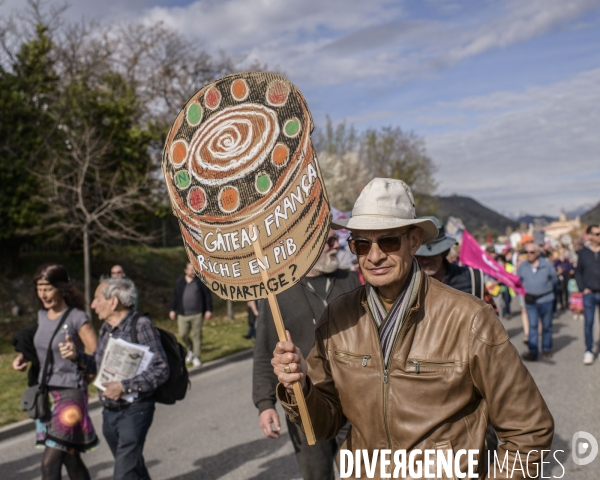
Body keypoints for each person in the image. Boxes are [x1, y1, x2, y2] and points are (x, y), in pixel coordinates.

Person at [271, 178, 553, 478]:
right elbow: (323, 424)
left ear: (415, 240)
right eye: (362, 244)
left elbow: (529, 430)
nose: (375, 255)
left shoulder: (469, 318)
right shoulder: (338, 316)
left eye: (388, 241)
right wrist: (298, 387)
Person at [252, 230, 361, 480]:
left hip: (354, 399)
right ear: (306, 247)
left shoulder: (350, 281)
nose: (337, 246)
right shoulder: (279, 292)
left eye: (336, 240)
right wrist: (265, 403)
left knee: (360, 473)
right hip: (306, 402)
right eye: (329, 242)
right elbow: (263, 351)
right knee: (316, 474)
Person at [60, 277, 169, 480]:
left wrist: (124, 386)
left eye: (97, 299)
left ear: (113, 302)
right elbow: (98, 365)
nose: (92, 305)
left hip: (135, 411)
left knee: (123, 474)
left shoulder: (142, 326)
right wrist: (76, 355)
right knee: (132, 467)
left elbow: (162, 369)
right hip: (110, 412)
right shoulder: (106, 329)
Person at [12, 264, 99, 480]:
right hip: (48, 397)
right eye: (39, 288)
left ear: (62, 288)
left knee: (49, 465)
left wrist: (81, 374)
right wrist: (23, 356)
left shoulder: (77, 318)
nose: (42, 294)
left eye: (47, 288)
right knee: (70, 457)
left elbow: (99, 357)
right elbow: (43, 346)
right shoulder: (43, 316)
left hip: (71, 397)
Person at [517, 243, 558, 361]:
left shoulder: (547, 265)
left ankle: (547, 349)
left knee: (547, 326)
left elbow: (554, 279)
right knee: (533, 325)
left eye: (531, 252)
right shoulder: (523, 266)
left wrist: (545, 288)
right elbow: (518, 281)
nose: (528, 255)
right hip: (530, 301)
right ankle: (533, 351)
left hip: (546, 299)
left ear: (538, 253)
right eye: (526, 253)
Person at [169, 262, 213, 367]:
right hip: (183, 315)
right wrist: (172, 309)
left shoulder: (200, 282)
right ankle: (190, 350)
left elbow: (207, 296)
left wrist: (208, 310)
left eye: (194, 270)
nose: (193, 272)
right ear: (185, 271)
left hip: (197, 314)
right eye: (191, 269)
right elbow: (175, 297)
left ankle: (197, 357)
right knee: (183, 335)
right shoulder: (179, 282)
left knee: (197, 336)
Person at [575, 224, 600, 365]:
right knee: (589, 323)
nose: (599, 236)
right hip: (589, 293)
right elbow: (578, 272)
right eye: (597, 234)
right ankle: (589, 350)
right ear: (589, 236)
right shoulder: (583, 253)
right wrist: (582, 288)